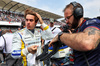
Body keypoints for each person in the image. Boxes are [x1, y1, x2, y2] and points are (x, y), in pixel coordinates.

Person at [49, 1, 100, 66]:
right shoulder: (76, 30)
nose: (66, 22)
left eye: (68, 18)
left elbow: (88, 43)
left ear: (77, 14)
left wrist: (60, 36)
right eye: (65, 19)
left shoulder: (92, 23)